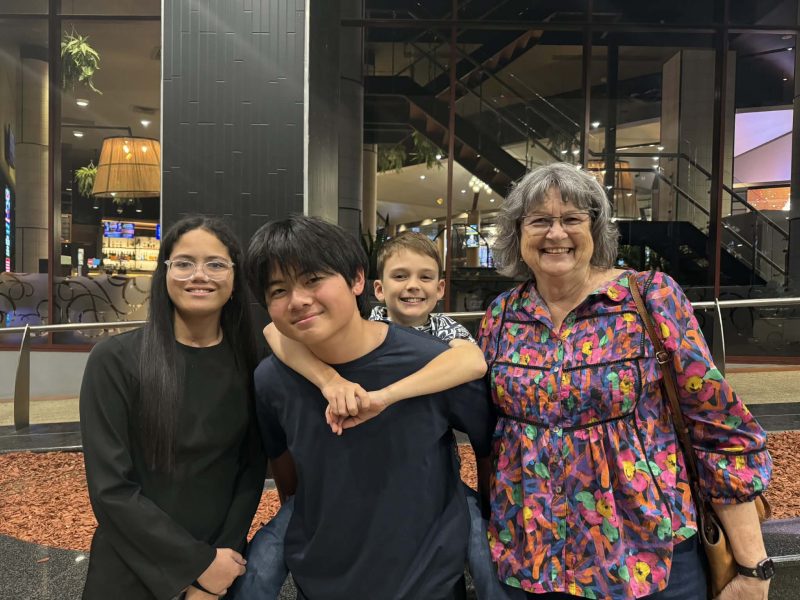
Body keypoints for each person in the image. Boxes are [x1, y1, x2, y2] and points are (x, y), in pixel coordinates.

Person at [478, 162, 773, 600]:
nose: (555, 233)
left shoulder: (649, 298)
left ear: (595, 228)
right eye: (539, 220)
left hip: (648, 557)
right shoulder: (503, 316)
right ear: (517, 233)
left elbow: (717, 424)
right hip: (534, 563)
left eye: (571, 219)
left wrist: (753, 567)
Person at [232, 230, 499, 599]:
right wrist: (328, 381)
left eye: (313, 279)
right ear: (377, 286)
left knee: (489, 563)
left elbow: (485, 437)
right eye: (278, 290)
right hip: (321, 575)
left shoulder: (439, 357)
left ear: (356, 279)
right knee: (256, 572)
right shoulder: (273, 378)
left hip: (425, 579)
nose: (298, 299)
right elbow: (282, 459)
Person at [80, 216, 266, 600]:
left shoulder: (252, 364)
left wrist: (219, 567)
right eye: (184, 263)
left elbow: (249, 472)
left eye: (215, 264)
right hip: (131, 565)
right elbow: (111, 489)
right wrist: (196, 566)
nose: (199, 275)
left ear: (235, 279)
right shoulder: (115, 360)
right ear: (164, 274)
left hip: (221, 563)